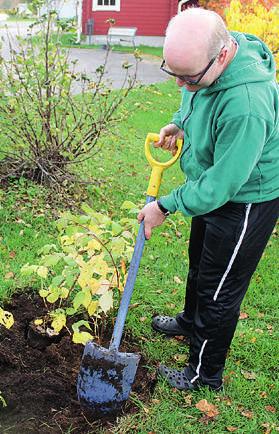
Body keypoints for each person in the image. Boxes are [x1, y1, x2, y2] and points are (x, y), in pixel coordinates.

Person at [137, 8, 279, 391]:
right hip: (214, 185)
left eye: (190, 78)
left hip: (246, 199)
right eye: (175, 74)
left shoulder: (247, 104)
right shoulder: (207, 62)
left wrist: (165, 205)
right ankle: (188, 320)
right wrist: (179, 121)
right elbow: (195, 99)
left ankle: (203, 376)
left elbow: (222, 185)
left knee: (219, 290)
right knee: (199, 265)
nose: (182, 86)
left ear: (221, 56)